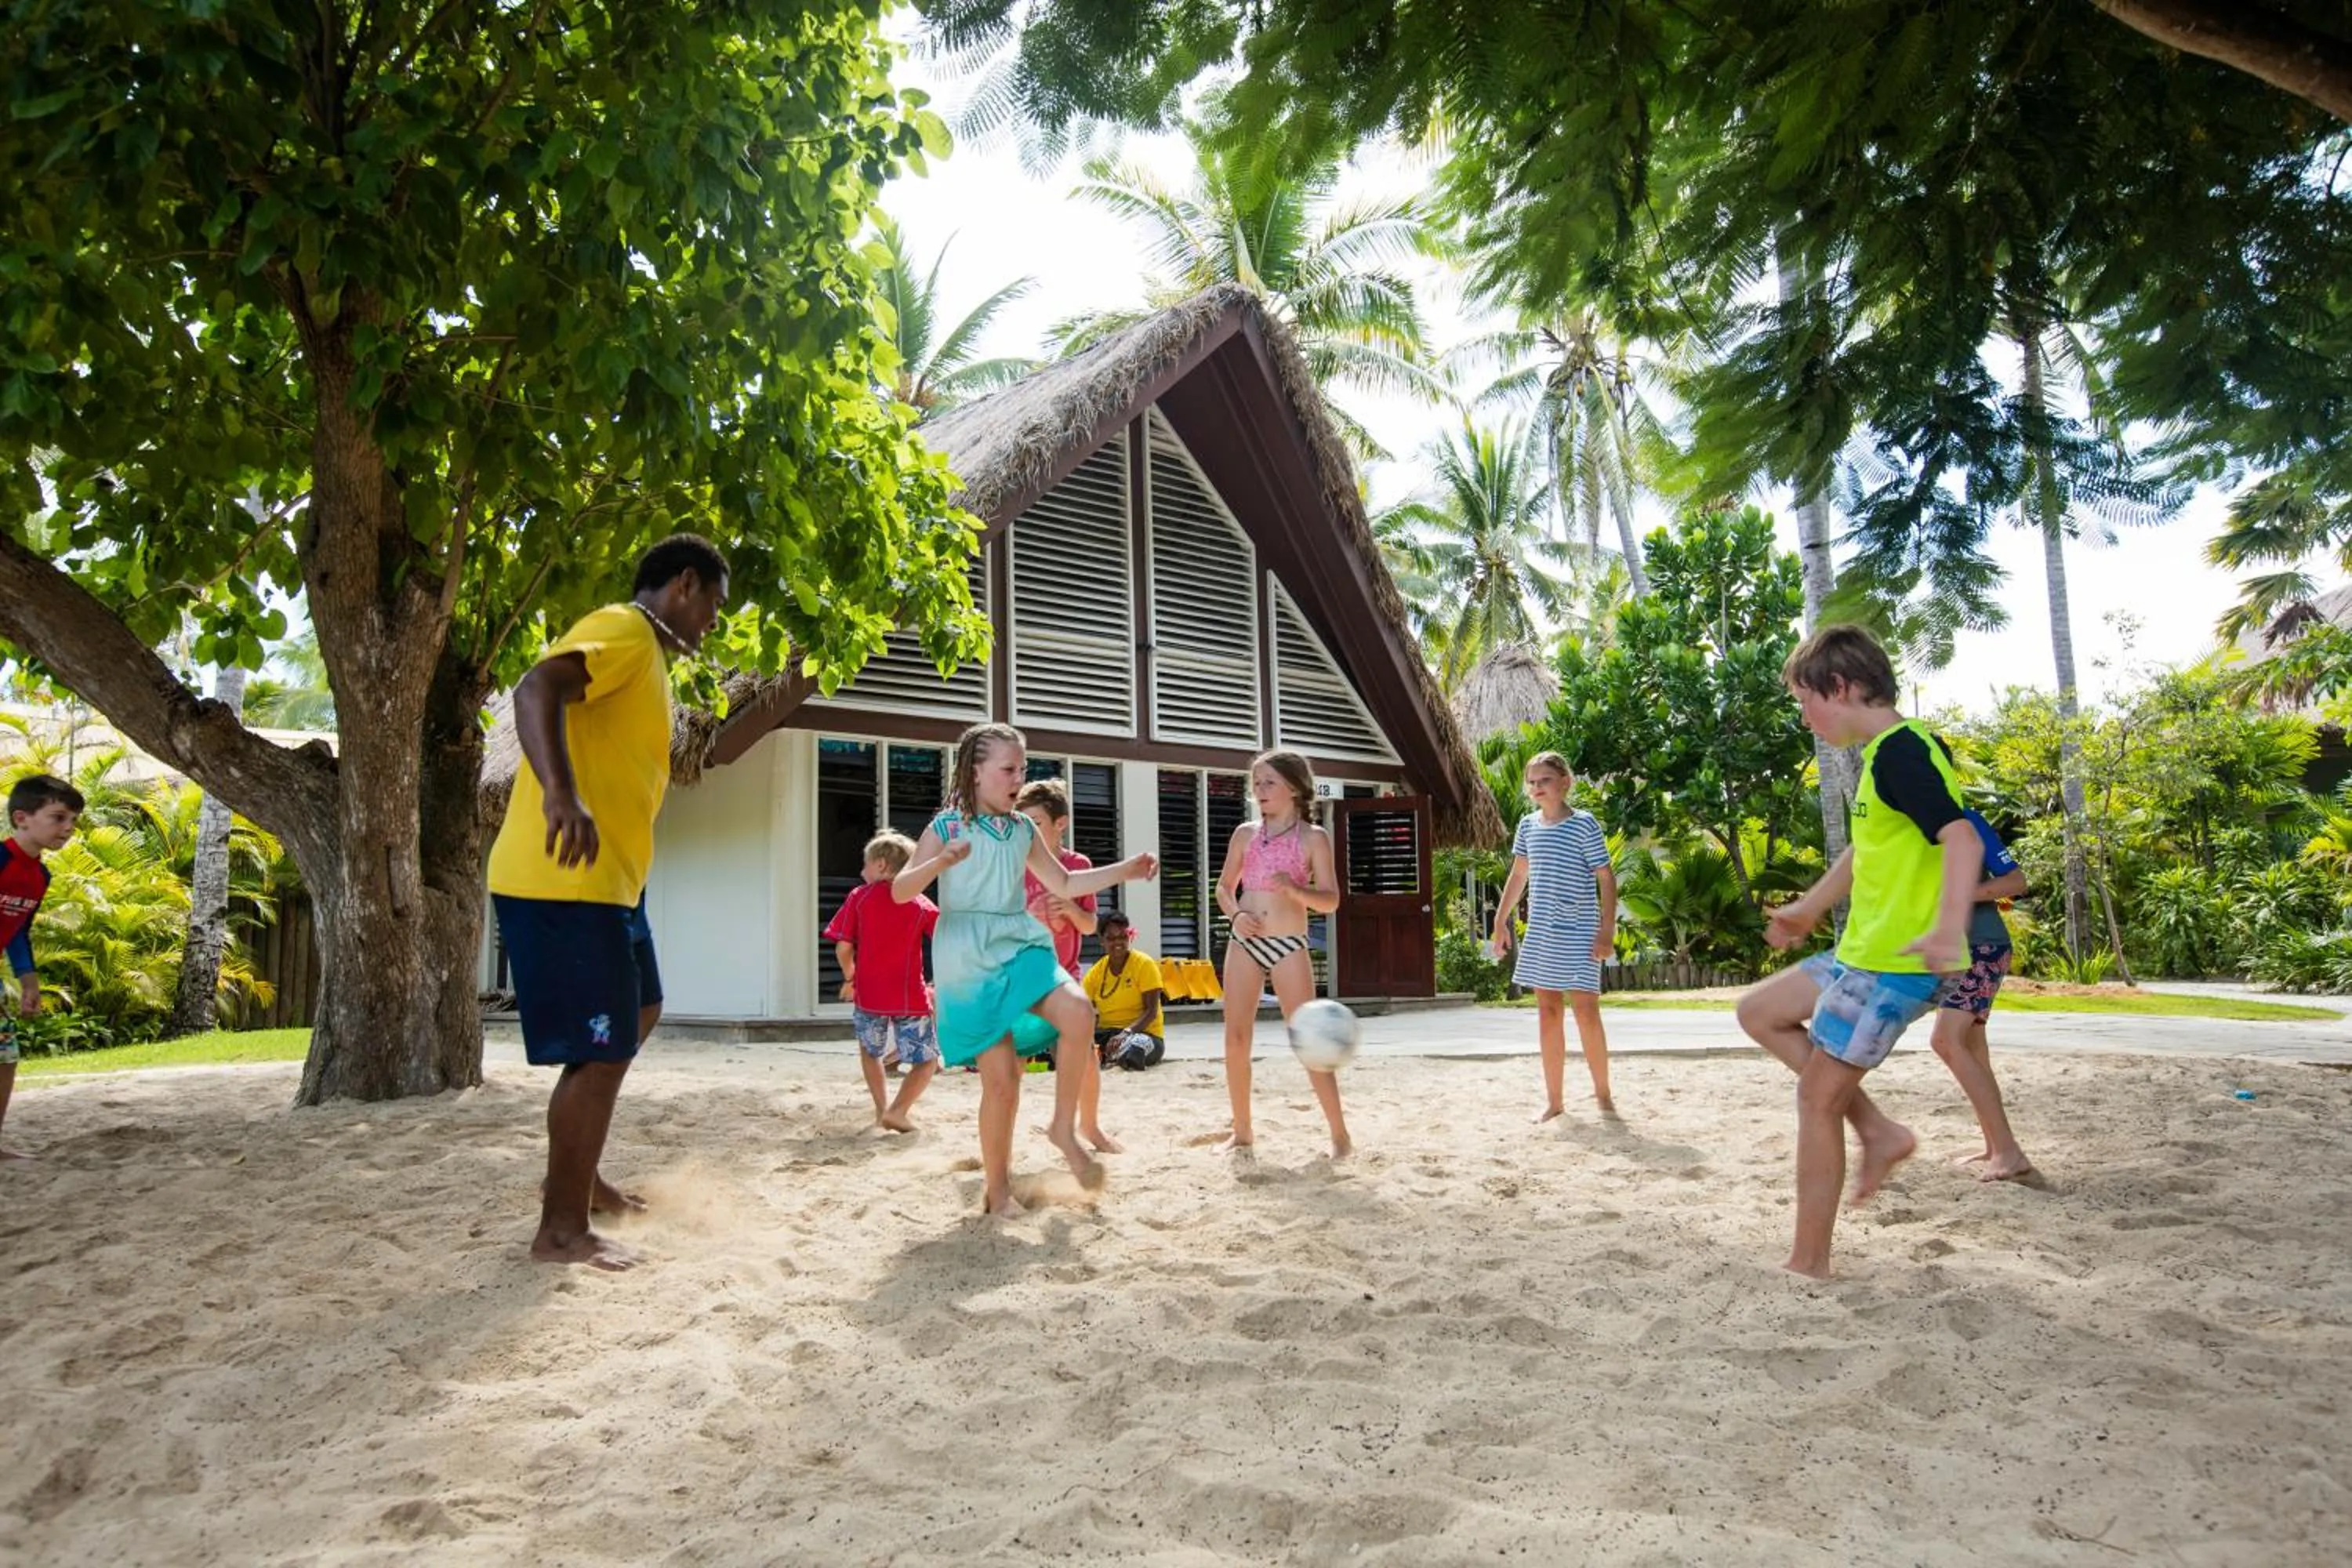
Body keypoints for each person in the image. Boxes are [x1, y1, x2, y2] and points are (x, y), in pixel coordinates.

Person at [486, 534, 729, 1272]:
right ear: (683, 585)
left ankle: (581, 1180)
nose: (713, 624)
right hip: (565, 884)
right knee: (599, 1053)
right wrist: (562, 794)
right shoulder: (625, 629)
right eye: (713, 606)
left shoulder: (647, 656)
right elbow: (537, 686)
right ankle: (560, 1230)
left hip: (612, 888)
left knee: (640, 1011)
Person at [1735, 625, 1980, 1279]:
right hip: (1862, 953)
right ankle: (1879, 1131)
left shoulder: (1904, 752)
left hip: (1892, 964)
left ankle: (1808, 1262)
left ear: (1839, 688)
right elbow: (1865, 850)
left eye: (1803, 700)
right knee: (1760, 1012)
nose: (1804, 716)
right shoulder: (1888, 756)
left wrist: (1949, 929)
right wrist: (1811, 907)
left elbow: (1963, 840)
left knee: (1818, 1100)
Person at [893, 723, 1156, 1217]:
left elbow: (1062, 879)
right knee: (1001, 1083)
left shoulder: (1022, 828)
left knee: (1079, 1012)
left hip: (1017, 942)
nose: (1019, 778)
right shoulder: (946, 827)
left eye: (1023, 768)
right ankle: (997, 1193)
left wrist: (1126, 869)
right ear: (976, 773)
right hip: (969, 959)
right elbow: (901, 891)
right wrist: (938, 862)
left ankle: (1063, 1127)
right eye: (1009, 769)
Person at [1214, 750, 1350, 1159]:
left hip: (1289, 944)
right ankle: (1242, 1131)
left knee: (1308, 1039)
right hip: (1245, 943)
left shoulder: (1313, 838)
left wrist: (1295, 891)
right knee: (1236, 1039)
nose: (1260, 790)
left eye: (1269, 782)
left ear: (1293, 787)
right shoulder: (1244, 833)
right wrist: (1236, 915)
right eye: (1256, 782)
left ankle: (1340, 1135)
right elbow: (1223, 887)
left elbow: (1331, 901)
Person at [1488, 751, 1619, 1123]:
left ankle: (1603, 1094)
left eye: (1544, 780)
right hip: (1542, 931)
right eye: (1531, 782)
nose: (1536, 787)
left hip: (1580, 931)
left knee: (1586, 1011)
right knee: (1547, 1012)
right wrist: (1500, 922)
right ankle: (1555, 1100)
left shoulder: (1584, 825)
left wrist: (1606, 930)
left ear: (1565, 783)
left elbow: (1606, 879)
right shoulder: (1528, 827)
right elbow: (1518, 877)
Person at [1933, 808, 2034, 1181]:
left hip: (1982, 948)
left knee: (1946, 1040)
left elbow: (2016, 881)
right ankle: (1997, 1146)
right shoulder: (1901, 822)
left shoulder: (1964, 820)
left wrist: (1959, 895)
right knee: (1974, 1049)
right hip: (1956, 952)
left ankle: (2008, 1152)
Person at [824, 829, 940, 1131]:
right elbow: (943, 937)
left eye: (865, 864)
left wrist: (851, 976)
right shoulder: (919, 902)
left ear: (881, 866)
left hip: (870, 995)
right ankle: (899, 1110)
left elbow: (844, 947)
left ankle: (881, 1110)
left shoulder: (859, 898)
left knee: (870, 1051)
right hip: (909, 996)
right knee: (926, 1060)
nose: (862, 870)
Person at [0, 774, 84, 1161]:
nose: (68, 828)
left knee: (6, 1057)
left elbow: (18, 931)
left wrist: (28, 980)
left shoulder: (40, 876)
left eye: (73, 821)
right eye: (59, 817)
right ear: (22, 818)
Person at [1083, 911, 1167, 1070]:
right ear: (1102, 941)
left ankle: (1112, 1058)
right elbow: (1084, 1011)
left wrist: (1127, 1033)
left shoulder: (1144, 964)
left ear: (1129, 936)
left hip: (1143, 1034)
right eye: (1111, 938)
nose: (1118, 943)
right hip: (1108, 1035)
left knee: (1136, 1048)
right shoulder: (1095, 973)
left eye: (1122, 937)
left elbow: (1151, 1012)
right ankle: (1107, 1057)